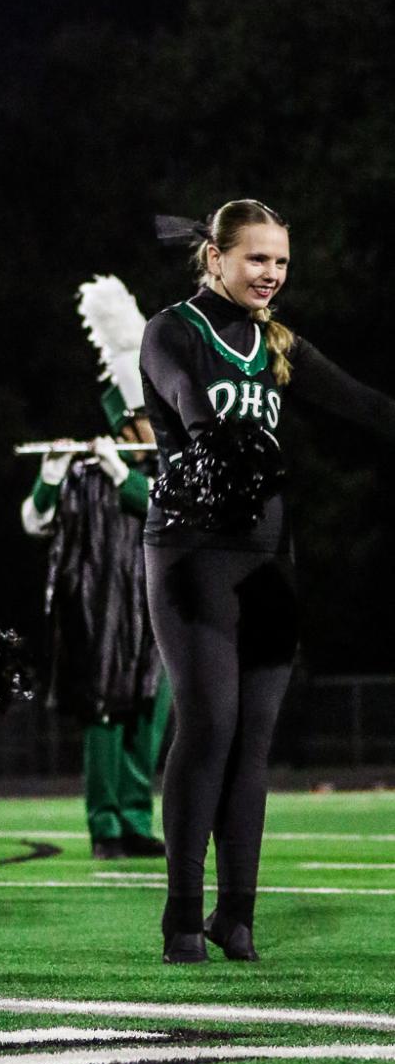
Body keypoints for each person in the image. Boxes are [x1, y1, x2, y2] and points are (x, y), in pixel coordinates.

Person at [142, 198, 395, 963]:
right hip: (190, 552)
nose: (270, 273)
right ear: (215, 257)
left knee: (254, 740)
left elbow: (366, 404)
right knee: (210, 722)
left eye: (281, 261)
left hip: (270, 557)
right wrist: (219, 440)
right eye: (256, 258)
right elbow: (187, 402)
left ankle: (236, 915)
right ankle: (182, 915)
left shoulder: (278, 342)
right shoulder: (171, 330)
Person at [22, 276, 169, 860]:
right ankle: (105, 825)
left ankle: (137, 819)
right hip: (101, 613)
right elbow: (35, 523)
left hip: (155, 612)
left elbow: (166, 507)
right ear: (124, 423)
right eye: (144, 423)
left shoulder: (173, 468)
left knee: (147, 719)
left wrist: (123, 474)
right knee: (105, 719)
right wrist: (54, 474)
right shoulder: (88, 468)